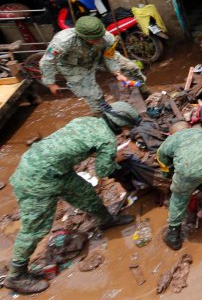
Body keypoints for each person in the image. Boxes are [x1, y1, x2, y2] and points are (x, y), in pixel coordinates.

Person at [5, 102, 140, 294]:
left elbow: (78, 146)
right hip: (36, 178)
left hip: (47, 166)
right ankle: (16, 275)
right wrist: (114, 160)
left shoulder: (86, 120)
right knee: (35, 228)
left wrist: (106, 154)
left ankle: (106, 220)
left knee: (85, 193)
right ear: (121, 125)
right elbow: (102, 171)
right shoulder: (107, 140)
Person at [40, 16, 147, 114]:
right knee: (93, 95)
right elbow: (46, 62)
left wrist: (117, 72)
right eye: (94, 39)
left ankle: (144, 92)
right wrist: (51, 83)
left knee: (131, 68)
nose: (99, 40)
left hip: (98, 56)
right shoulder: (62, 42)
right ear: (82, 36)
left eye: (99, 37)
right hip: (73, 66)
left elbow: (108, 56)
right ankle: (102, 116)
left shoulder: (107, 37)